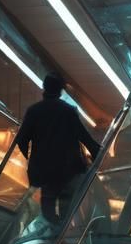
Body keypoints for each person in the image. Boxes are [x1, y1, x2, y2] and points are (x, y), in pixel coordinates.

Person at [14, 73, 100, 225]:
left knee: (48, 203)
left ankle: (53, 230)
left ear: (44, 88)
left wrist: (32, 160)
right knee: (67, 204)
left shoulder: (34, 111)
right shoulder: (68, 111)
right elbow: (83, 135)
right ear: (61, 91)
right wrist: (97, 152)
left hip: (44, 170)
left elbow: (21, 140)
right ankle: (62, 229)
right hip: (68, 169)